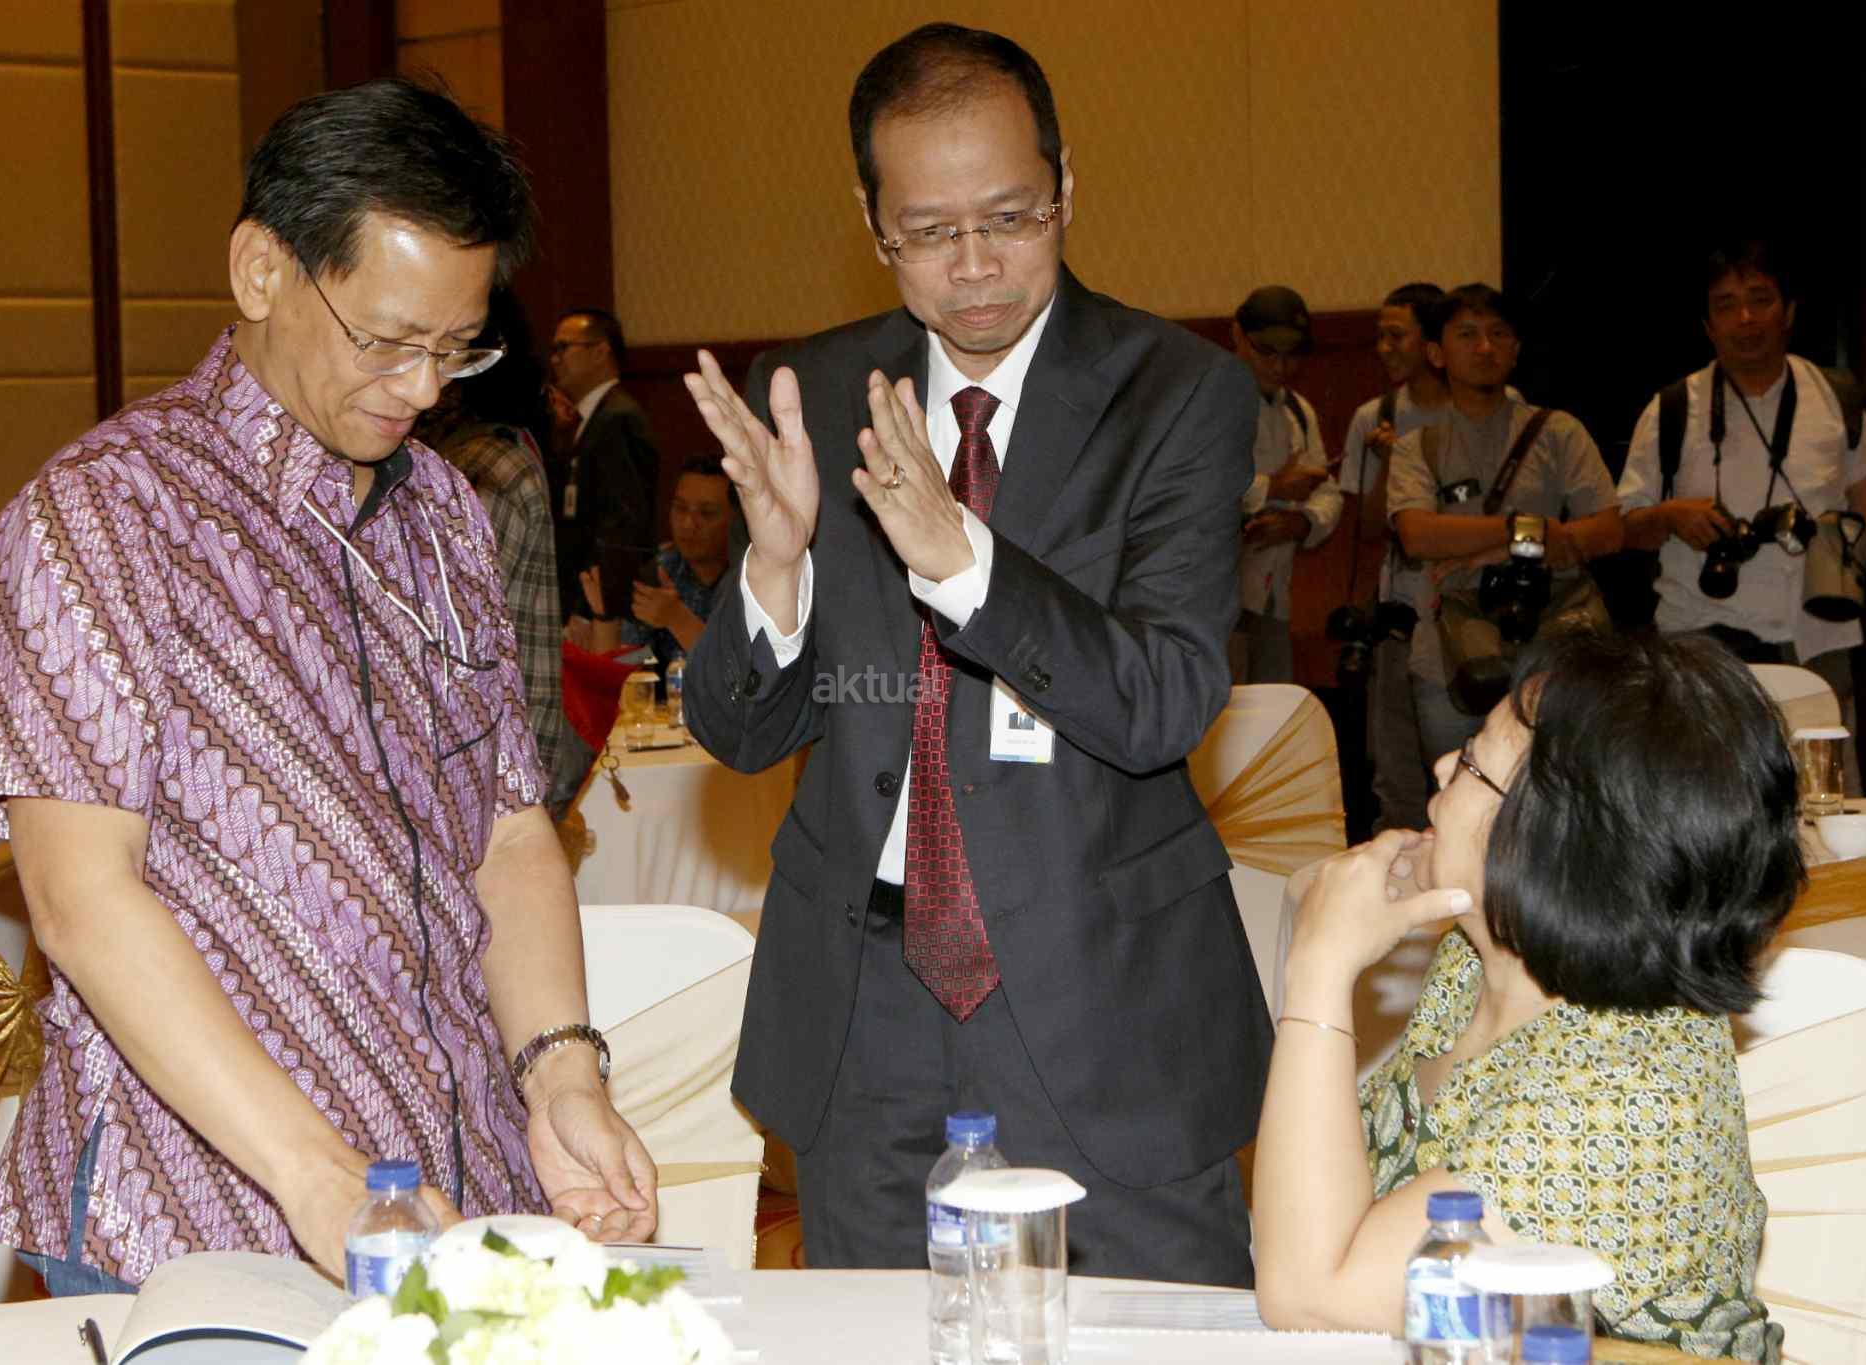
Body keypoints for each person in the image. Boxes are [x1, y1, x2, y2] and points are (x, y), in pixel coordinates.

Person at [0, 78, 655, 1293]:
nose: (423, 388)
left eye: (455, 348)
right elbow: (81, 899)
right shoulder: (102, 518)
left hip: (454, 1184)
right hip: (193, 1207)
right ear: (261, 270)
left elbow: (504, 829)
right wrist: (319, 1176)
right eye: (386, 340)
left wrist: (561, 1077)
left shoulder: (443, 513)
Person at [680, 23, 1270, 1285]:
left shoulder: (1176, 393)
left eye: (1010, 218)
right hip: (863, 1007)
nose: (975, 267)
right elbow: (740, 732)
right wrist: (773, 569)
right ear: (870, 223)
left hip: (1100, 991)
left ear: (1066, 187)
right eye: (929, 232)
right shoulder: (814, 391)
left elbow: (1163, 699)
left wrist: (964, 565)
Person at [1253, 631, 1792, 1361]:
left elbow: (1311, 1295)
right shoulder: (1483, 960)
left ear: (1554, 843)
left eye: (1473, 763)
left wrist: (1320, 969)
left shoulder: (1624, 1095)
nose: (1442, 766)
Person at [1616, 239, 1866, 793]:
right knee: (1705, 798)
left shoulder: (1834, 398)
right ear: (1708, 326)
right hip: (1701, 639)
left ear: (1788, 312)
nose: (1745, 318)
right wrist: (1671, 515)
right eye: (1726, 305)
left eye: (1760, 299)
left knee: (1824, 798)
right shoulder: (1672, 408)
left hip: (1816, 635)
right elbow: (1623, 528)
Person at [1386, 284, 1622, 764]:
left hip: (1555, 648)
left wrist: (1501, 548)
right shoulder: (1418, 448)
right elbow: (1417, 534)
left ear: (1515, 350)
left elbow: (1608, 531)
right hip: (1453, 658)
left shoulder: (1558, 432)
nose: (1485, 347)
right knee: (1457, 792)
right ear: (1436, 353)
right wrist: (1525, 530)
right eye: (1467, 334)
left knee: (1564, 790)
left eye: (1498, 334)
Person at [414, 286, 571, 811]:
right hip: (500, 768)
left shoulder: (484, 467)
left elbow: (456, 644)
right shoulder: (493, 449)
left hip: (493, 778)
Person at [1336, 282, 1450, 832]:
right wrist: (1388, 463)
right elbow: (1364, 525)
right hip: (1397, 608)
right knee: (1396, 765)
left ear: (1432, 342)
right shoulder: (1373, 416)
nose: (1384, 348)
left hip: (1462, 609)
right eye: (1379, 336)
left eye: (1396, 335)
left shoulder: (1484, 411)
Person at [1230, 285, 1342, 684]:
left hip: (1274, 591)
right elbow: (1193, 487)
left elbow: (1328, 492)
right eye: (1267, 351)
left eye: (1291, 354)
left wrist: (1302, 523)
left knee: (1273, 705)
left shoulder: (1297, 408)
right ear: (1238, 334)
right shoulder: (1206, 401)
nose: (1279, 366)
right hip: (1217, 591)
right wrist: (1273, 488)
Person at [568, 455, 735, 665]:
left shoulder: (754, 579)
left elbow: (740, 673)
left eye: (707, 513)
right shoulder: (661, 570)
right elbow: (627, 663)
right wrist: (605, 617)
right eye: (680, 508)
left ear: (738, 520)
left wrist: (678, 619)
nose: (688, 523)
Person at [548, 307, 661, 610]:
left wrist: (597, 609)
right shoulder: (591, 418)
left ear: (600, 352)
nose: (555, 359)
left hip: (605, 603)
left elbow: (622, 526)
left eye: (563, 347)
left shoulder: (617, 418)